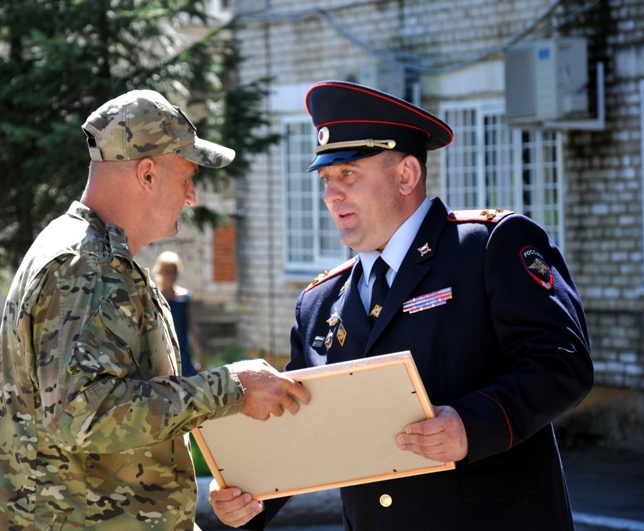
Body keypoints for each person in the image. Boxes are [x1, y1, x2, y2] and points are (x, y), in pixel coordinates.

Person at [209, 80, 594, 530]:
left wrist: (471, 426)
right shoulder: (318, 303)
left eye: (348, 174)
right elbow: (305, 427)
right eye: (326, 179)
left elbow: (563, 364)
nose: (331, 195)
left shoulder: (487, 247)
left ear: (406, 175)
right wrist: (247, 498)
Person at [0, 89, 311, 531]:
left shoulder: (93, 255)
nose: (191, 196)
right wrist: (231, 388)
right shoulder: (87, 267)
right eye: (187, 177)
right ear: (148, 173)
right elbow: (85, 416)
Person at [153, 251, 205, 376]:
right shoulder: (154, 297)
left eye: (174, 271)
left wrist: (200, 355)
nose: (172, 275)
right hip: (162, 353)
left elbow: (192, 327)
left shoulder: (184, 297)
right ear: (160, 272)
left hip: (182, 353)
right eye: (168, 271)